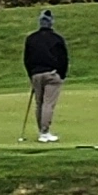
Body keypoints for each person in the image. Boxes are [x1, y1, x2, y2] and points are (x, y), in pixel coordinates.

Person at [24, 11, 69, 143]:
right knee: (48, 104)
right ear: (51, 23)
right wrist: (61, 74)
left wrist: (31, 75)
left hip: (36, 74)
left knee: (39, 104)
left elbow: (27, 59)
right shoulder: (57, 39)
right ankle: (45, 132)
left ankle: (41, 132)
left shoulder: (31, 38)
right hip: (52, 74)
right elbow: (63, 59)